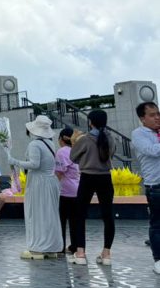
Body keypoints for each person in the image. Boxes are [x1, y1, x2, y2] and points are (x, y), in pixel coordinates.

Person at [7, 115, 63, 259]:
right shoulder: (50, 143)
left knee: (37, 214)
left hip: (39, 182)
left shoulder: (34, 144)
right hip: (51, 181)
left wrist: (15, 161)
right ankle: (51, 247)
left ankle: (38, 248)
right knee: (49, 215)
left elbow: (34, 165)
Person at [69, 109, 116, 266]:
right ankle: (106, 253)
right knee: (108, 215)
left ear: (91, 122)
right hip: (105, 178)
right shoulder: (110, 138)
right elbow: (112, 153)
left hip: (87, 177)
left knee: (79, 214)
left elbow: (73, 157)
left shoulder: (85, 139)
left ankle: (81, 253)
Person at [132, 102, 160, 275]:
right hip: (156, 186)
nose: (157, 118)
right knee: (157, 224)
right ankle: (158, 259)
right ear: (142, 118)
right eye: (152, 115)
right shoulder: (139, 134)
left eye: (158, 114)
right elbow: (152, 151)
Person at [54, 127, 80, 261]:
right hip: (78, 190)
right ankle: (75, 246)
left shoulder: (62, 152)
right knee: (75, 221)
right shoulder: (77, 150)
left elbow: (59, 172)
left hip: (65, 191)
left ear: (62, 138)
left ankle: (60, 247)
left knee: (61, 220)